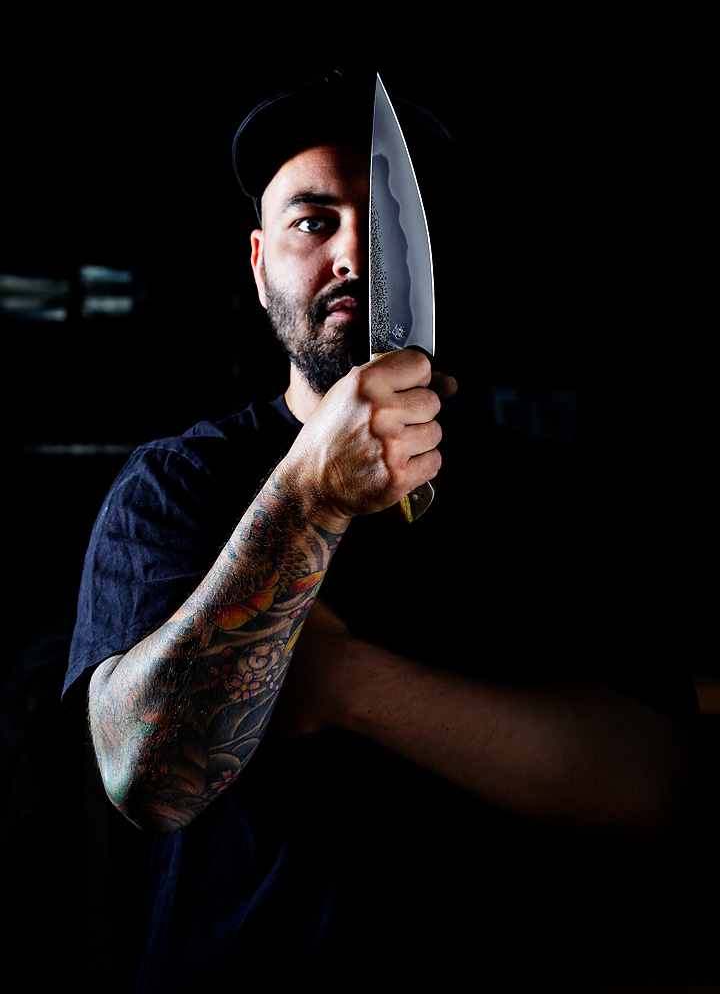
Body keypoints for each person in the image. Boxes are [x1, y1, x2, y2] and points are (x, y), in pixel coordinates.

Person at [63, 66, 699, 992]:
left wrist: (347, 682)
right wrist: (310, 498)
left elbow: (660, 793)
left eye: (393, 221)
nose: (353, 254)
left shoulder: (563, 499)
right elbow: (146, 780)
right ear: (258, 263)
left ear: (451, 254)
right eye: (313, 221)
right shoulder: (176, 488)